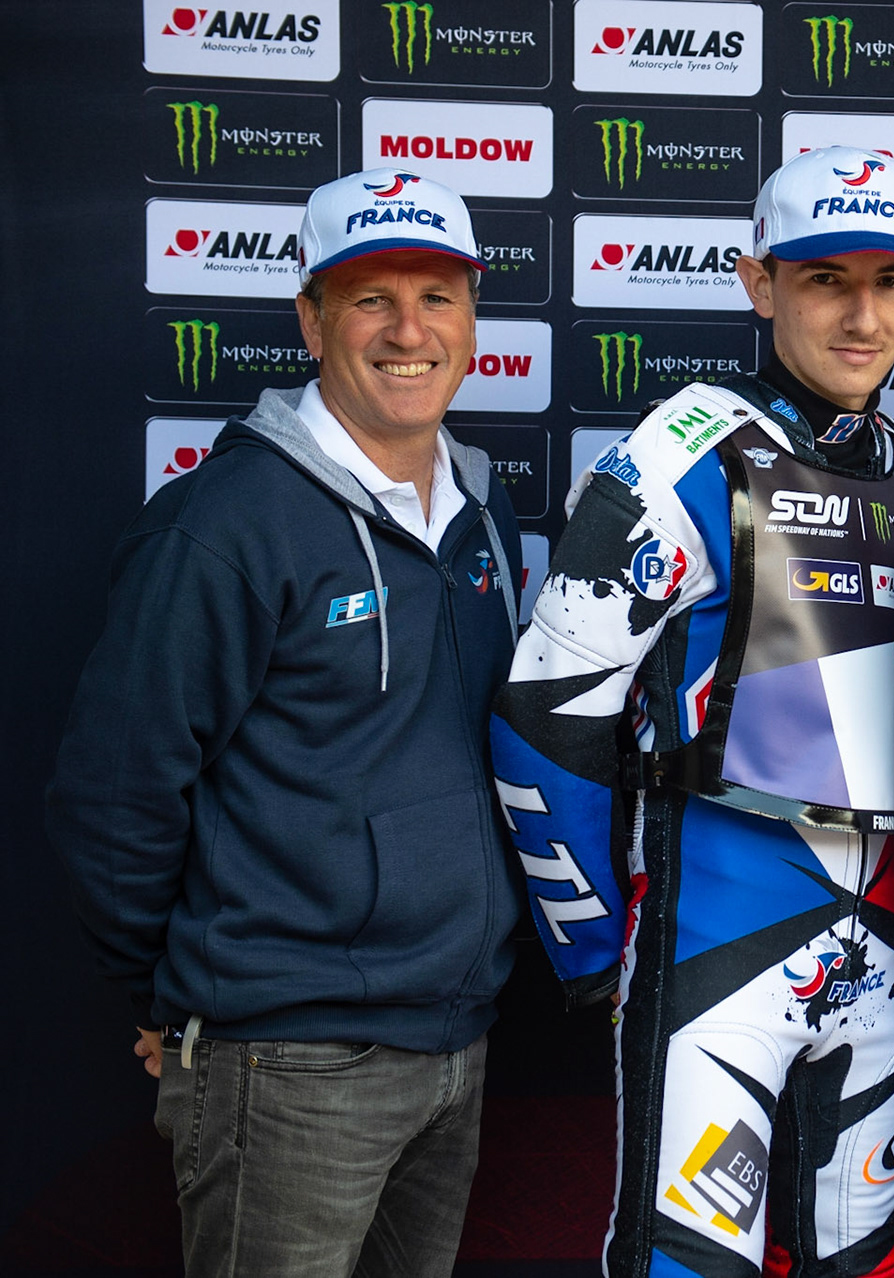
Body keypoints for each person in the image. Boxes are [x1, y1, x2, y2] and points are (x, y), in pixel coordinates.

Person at [45, 168, 523, 1276]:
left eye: (438, 295)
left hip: (455, 1044)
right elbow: (114, 795)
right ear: (310, 318)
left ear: (472, 318)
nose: (410, 330)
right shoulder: (225, 526)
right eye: (370, 297)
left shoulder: (480, 506)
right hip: (287, 1064)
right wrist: (176, 998)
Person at [490, 147, 894, 1278]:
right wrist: (594, 948)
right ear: (759, 285)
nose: (861, 314)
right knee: (688, 1261)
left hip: (878, 947)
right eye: (825, 279)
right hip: (713, 950)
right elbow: (542, 713)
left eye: (890, 282)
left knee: (867, 1258)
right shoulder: (687, 452)